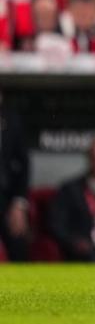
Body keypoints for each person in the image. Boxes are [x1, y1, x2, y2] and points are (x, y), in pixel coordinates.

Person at [0, 105, 29, 261]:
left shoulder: (11, 120)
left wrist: (18, 203)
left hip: (5, 198)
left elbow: (23, 164)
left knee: (17, 241)